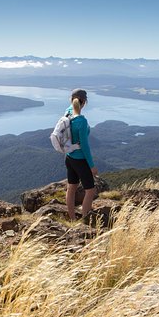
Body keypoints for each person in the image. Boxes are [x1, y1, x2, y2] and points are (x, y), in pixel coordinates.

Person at [65, 88, 97, 220]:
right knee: (90, 190)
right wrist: (92, 166)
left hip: (69, 157)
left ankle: (72, 218)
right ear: (85, 102)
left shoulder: (67, 113)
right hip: (80, 160)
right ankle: (84, 219)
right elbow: (84, 145)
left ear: (72, 100)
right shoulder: (81, 121)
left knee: (71, 188)